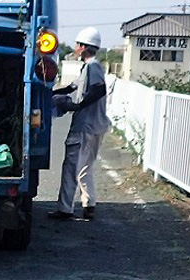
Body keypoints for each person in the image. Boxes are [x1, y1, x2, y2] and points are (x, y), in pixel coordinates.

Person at [48, 26, 111, 221]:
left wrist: (78, 105)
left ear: (84, 47)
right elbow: (71, 87)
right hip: (96, 127)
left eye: (77, 44)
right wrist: (51, 94)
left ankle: (65, 209)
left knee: (71, 167)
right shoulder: (88, 68)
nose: (75, 48)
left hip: (84, 127)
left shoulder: (92, 67)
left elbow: (99, 89)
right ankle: (89, 204)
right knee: (85, 168)